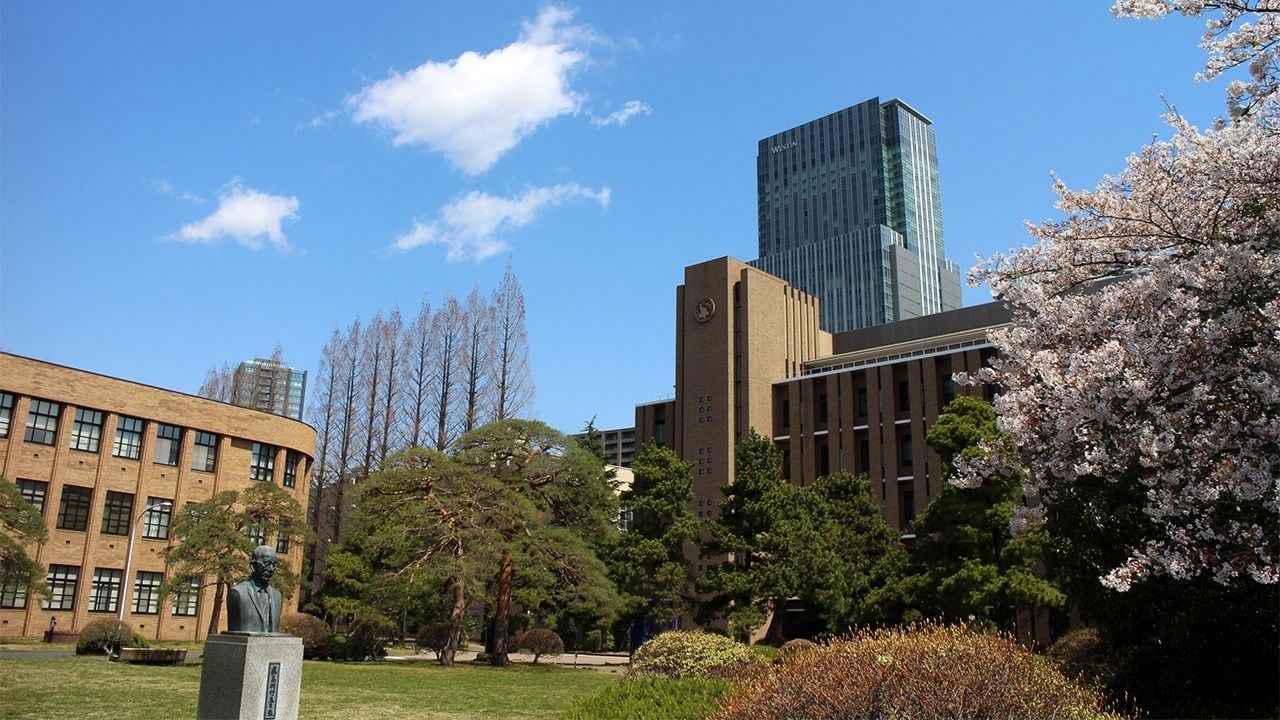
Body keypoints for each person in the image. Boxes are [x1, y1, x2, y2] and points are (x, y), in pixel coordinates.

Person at [226, 545, 283, 634]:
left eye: (274, 565)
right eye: (267, 564)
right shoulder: (238, 593)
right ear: (253, 566)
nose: (271, 569)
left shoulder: (277, 596)